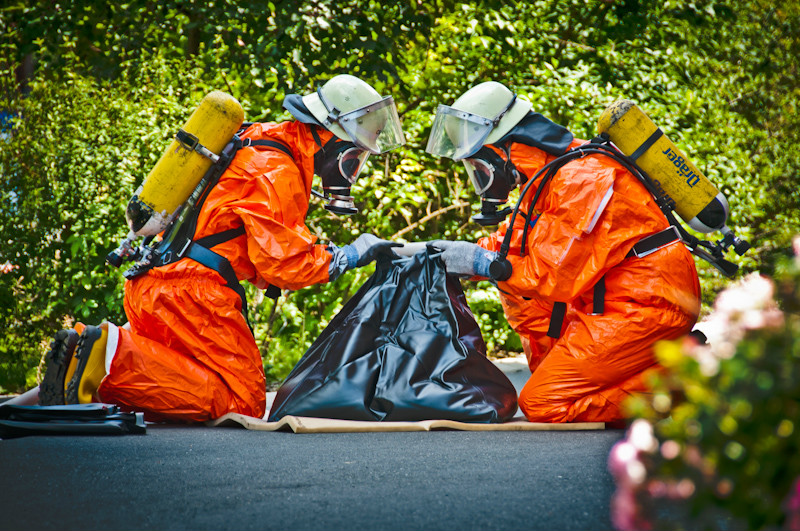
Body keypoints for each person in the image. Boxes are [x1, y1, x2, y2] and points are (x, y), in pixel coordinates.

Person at [29, 74, 405, 422]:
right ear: (329, 136)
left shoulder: (260, 139)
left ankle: (90, 359)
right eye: (353, 155)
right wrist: (350, 255)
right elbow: (285, 265)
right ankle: (107, 357)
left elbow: (253, 250)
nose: (351, 168)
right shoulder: (277, 170)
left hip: (157, 282)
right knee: (241, 401)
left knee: (176, 374)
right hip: (192, 295)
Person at [420, 81, 701, 423]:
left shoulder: (581, 178)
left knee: (543, 403)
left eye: (479, 166)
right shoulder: (548, 177)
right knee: (547, 375)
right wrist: (431, 254)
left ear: (503, 150)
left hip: (646, 304)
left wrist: (484, 264)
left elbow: (553, 276)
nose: (480, 177)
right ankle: (667, 368)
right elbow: (512, 244)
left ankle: (682, 380)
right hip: (615, 302)